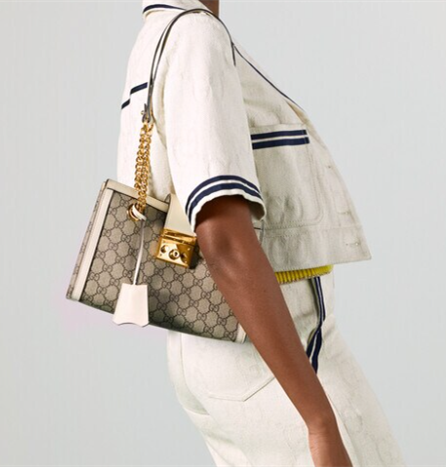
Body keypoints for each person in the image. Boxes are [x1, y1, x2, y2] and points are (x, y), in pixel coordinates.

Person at [116, 1, 406, 466]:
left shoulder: (156, 35)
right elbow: (223, 239)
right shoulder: (196, 37)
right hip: (272, 353)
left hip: (212, 346)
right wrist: (319, 420)